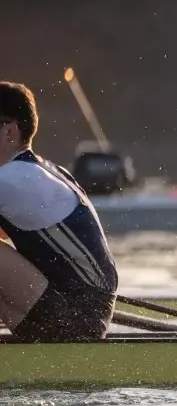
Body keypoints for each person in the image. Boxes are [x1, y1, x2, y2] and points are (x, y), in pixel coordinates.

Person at [0, 81, 119, 341]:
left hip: (78, 318)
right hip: (65, 308)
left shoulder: (16, 178)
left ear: (9, 131)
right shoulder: (36, 171)